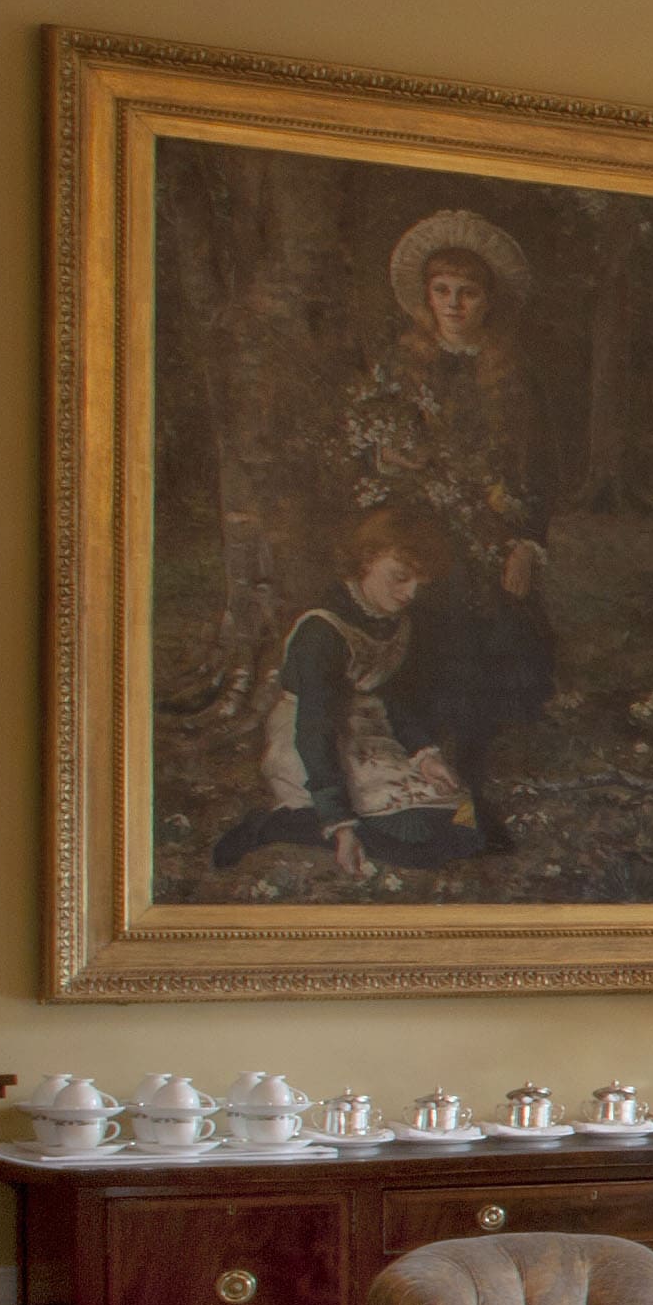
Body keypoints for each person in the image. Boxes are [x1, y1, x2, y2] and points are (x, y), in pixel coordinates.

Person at [343, 209, 559, 848]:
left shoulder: (514, 378)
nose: (455, 304)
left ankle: (469, 794)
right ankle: (437, 802)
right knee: (431, 655)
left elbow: (542, 470)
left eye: (468, 292)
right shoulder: (398, 369)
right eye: (442, 291)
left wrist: (525, 543)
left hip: (493, 540)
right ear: (425, 296)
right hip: (419, 541)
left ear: (488, 299)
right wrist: (388, 459)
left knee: (486, 660)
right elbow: (368, 450)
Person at [213, 512, 486, 876]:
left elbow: (394, 698)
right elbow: (315, 726)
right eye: (400, 578)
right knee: (415, 841)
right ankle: (274, 825)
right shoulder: (321, 630)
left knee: (467, 826)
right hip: (312, 742)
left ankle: (337, 822)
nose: (409, 594)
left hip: (371, 734)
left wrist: (423, 755)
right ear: (368, 558)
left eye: (420, 583)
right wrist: (340, 823)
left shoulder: (395, 621)